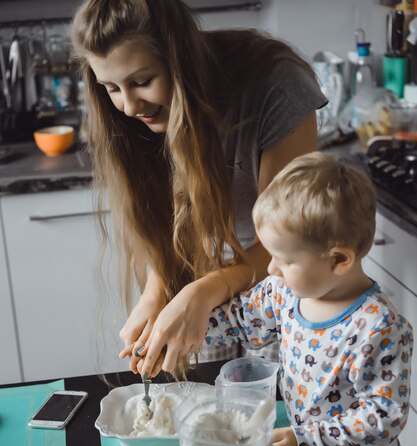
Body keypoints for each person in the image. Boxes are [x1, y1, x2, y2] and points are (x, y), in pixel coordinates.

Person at [71, 0, 327, 378]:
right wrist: (157, 291)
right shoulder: (129, 119)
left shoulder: (276, 85)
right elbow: (175, 218)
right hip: (204, 270)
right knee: (201, 402)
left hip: (285, 272)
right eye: (111, 87)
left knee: (280, 410)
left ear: (180, 60)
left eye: (142, 82)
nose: (127, 106)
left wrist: (208, 289)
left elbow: (285, 241)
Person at [194, 151, 416, 446]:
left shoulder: (379, 328)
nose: (271, 268)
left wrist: (308, 441)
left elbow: (382, 418)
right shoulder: (283, 292)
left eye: (285, 258)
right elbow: (239, 317)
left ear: (338, 260)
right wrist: (185, 335)